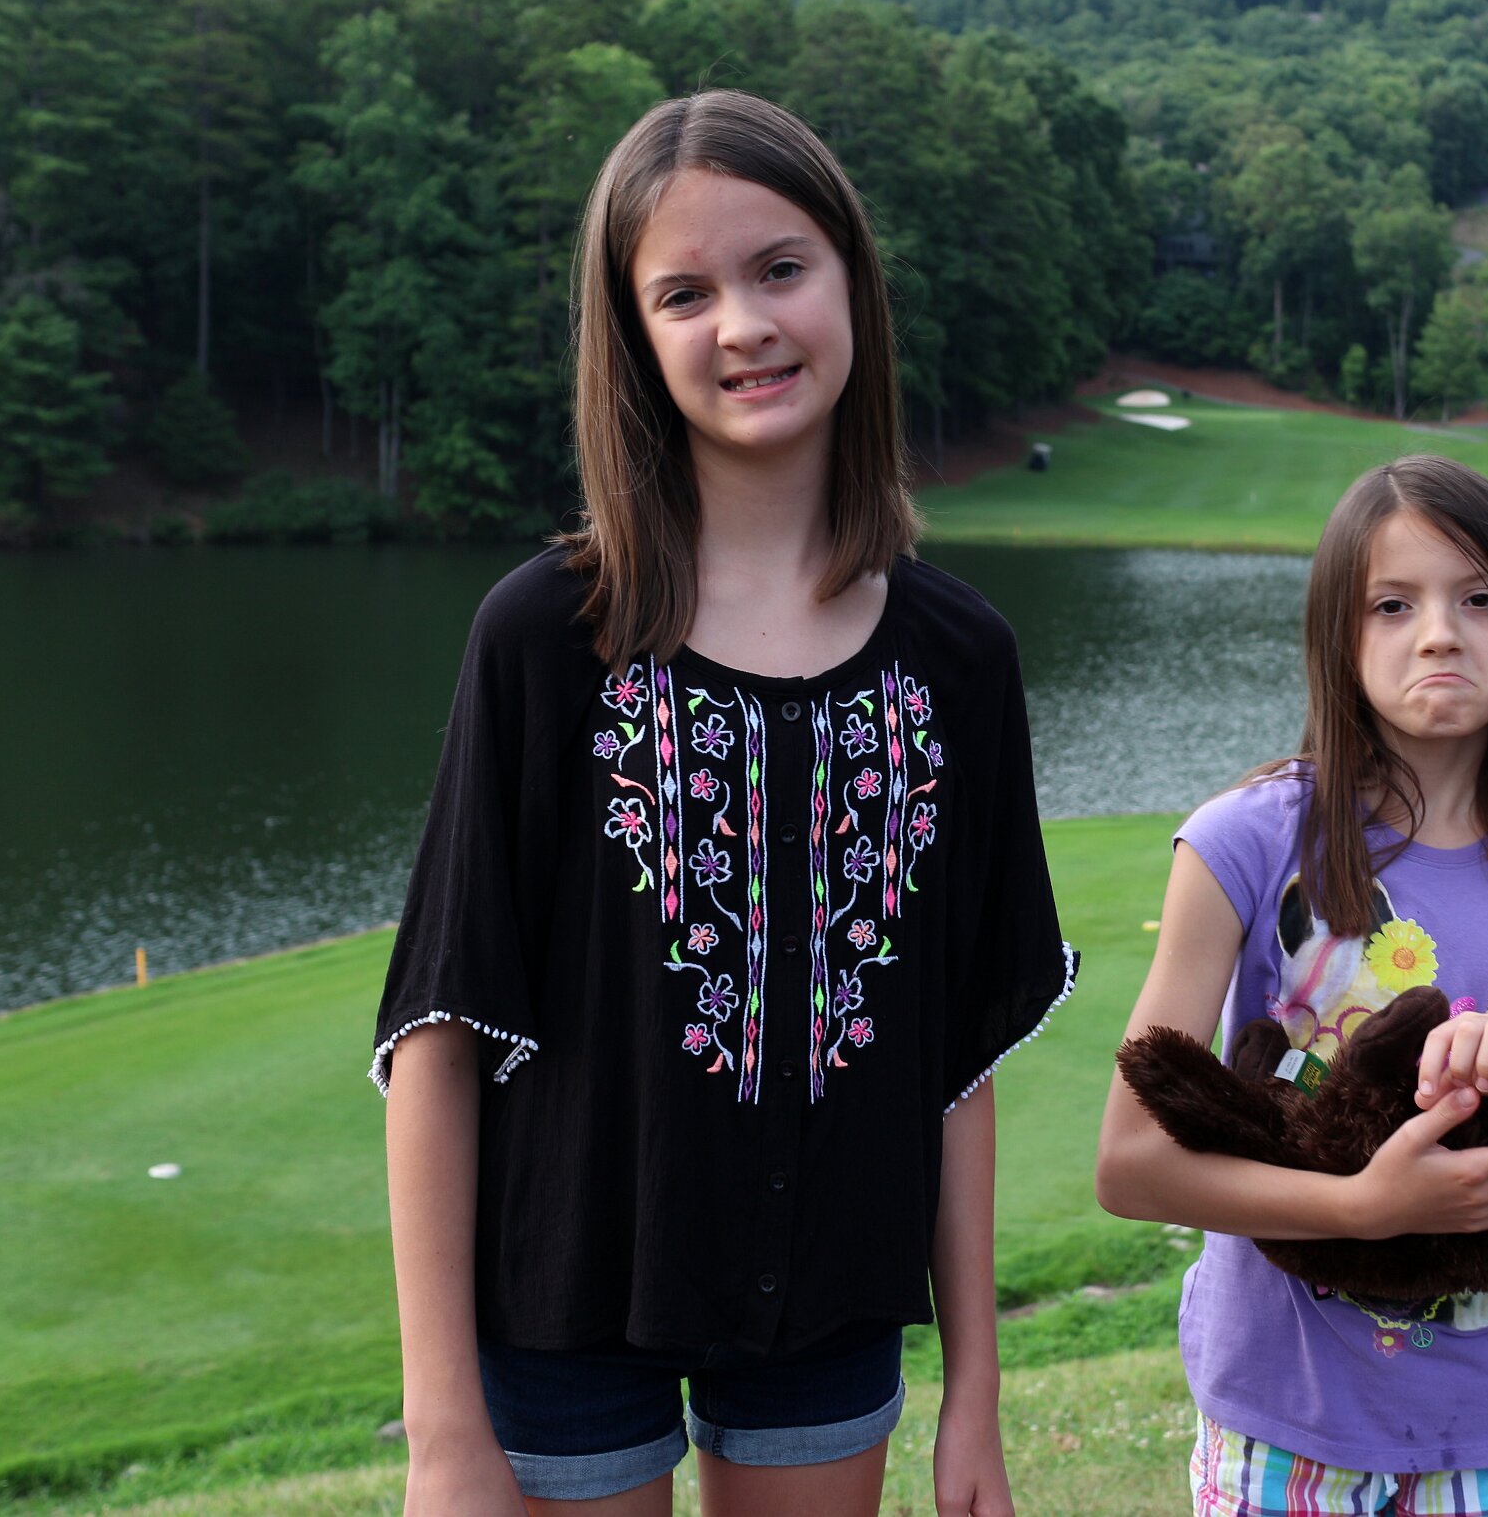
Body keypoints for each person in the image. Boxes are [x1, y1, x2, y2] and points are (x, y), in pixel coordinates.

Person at [373, 91, 1076, 1517]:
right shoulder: (544, 638)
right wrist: (443, 1431)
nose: (744, 325)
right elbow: (442, 1030)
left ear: (853, 284)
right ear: (632, 335)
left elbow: (956, 1060)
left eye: (780, 268)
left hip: (831, 1314)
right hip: (561, 1311)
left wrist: (977, 1400)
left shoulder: (959, 660)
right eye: (684, 293)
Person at [1096, 454, 1488, 1516]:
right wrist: (1365, 1207)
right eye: (1392, 604)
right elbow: (1130, 1165)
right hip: (1281, 1431)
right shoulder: (1244, 842)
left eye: (1479, 599)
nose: (1439, 634)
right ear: (1339, 637)